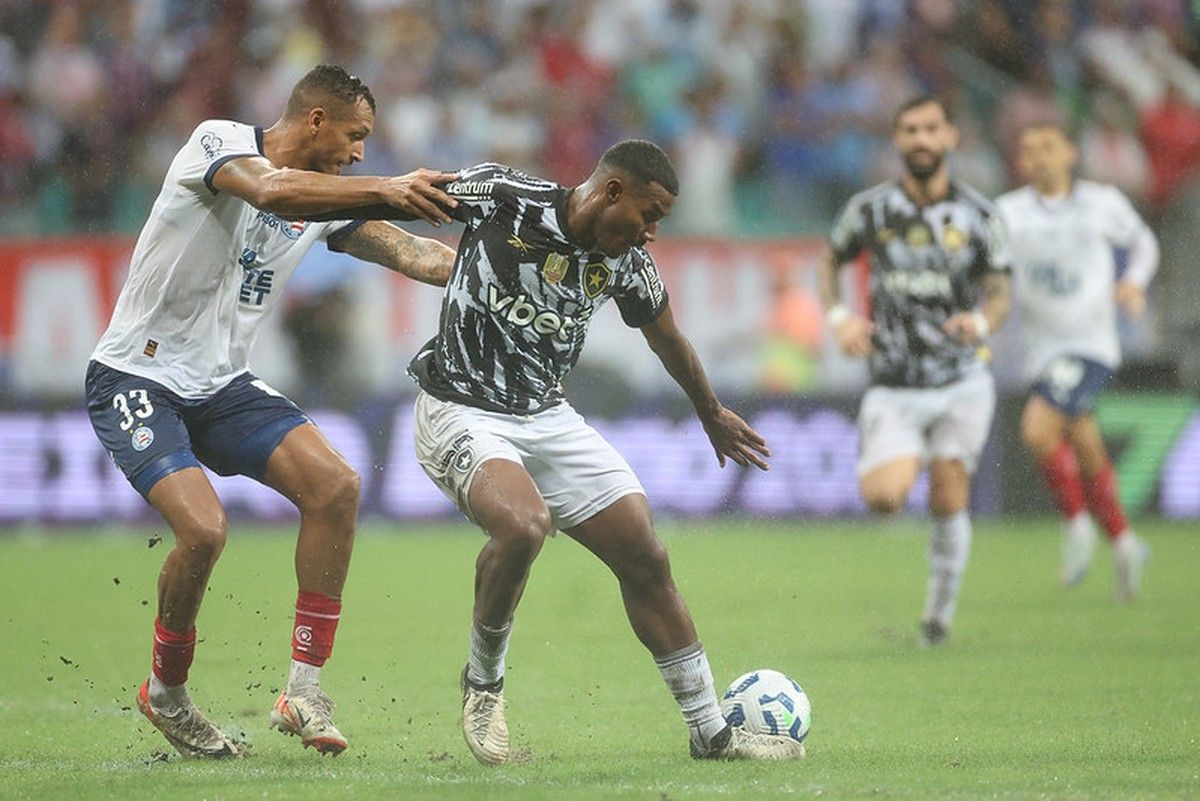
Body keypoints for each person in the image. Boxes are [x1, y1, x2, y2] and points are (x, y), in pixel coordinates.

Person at [85, 65, 460, 758]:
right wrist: (385, 187)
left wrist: (523, 251)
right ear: (315, 119)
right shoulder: (217, 142)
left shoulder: (329, 203)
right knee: (202, 530)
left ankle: (302, 688)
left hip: (222, 386)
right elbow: (269, 188)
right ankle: (166, 693)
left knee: (337, 487)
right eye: (354, 137)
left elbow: (419, 255)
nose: (358, 154)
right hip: (136, 375)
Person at [408, 140, 800, 763]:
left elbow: (668, 340)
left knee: (644, 554)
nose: (651, 234)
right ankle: (483, 685)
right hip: (459, 404)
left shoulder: (626, 264)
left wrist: (711, 413)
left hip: (546, 415)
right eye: (650, 214)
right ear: (612, 191)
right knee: (523, 526)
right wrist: (321, 204)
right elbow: (410, 189)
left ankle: (710, 731)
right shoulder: (505, 198)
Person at [819, 96, 1013, 647]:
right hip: (894, 382)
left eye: (931, 128)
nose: (921, 139)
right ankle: (912, 457)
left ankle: (938, 616)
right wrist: (840, 318)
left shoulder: (980, 215)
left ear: (951, 136)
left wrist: (981, 320)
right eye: (909, 130)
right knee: (883, 499)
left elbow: (1000, 291)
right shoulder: (870, 210)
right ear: (898, 141)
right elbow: (829, 260)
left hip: (961, 379)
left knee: (949, 494)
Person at [996, 121, 1157, 600]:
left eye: (1048, 145)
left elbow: (1144, 243)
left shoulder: (1103, 202)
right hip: (1041, 349)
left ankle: (1076, 524)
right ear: (1021, 163)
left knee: (1037, 431)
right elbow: (993, 275)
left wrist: (1134, 282)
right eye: (1029, 149)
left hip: (1091, 344)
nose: (1039, 156)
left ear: (1069, 152)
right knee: (1083, 439)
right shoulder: (1008, 213)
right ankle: (1125, 543)